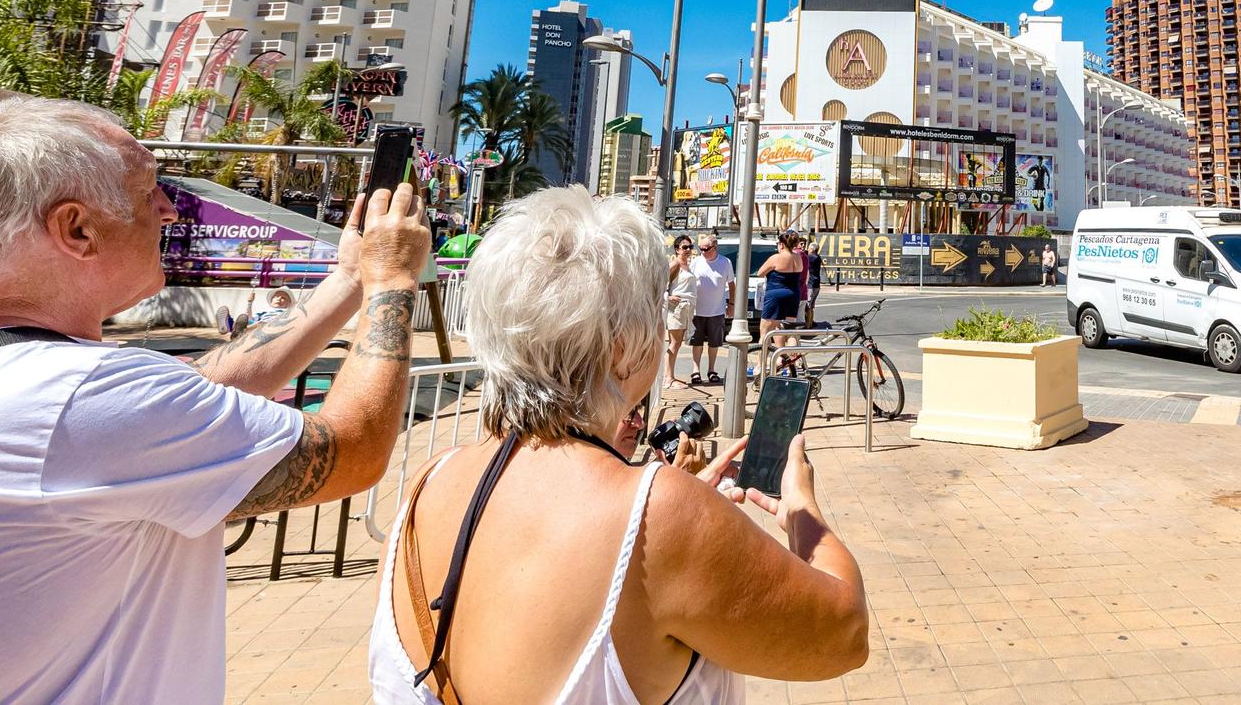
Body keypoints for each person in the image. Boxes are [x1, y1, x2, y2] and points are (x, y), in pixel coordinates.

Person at [0, 95, 430, 704]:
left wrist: (350, 279)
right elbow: (353, 447)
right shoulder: (77, 398)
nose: (168, 209)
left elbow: (197, 395)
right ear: (77, 228)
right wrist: (393, 280)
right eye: (148, 192)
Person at [368, 189, 869, 702]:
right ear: (622, 348)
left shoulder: (428, 482)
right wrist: (803, 512)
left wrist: (678, 507)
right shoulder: (663, 512)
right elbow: (845, 633)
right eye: (655, 310)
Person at [753, 230, 805, 379]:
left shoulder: (776, 257)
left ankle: (760, 364)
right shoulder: (798, 257)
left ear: (781, 244)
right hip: (793, 295)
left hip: (776, 294)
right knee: (789, 330)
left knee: (765, 331)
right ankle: (789, 365)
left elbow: (760, 273)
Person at [687, 232, 735, 386]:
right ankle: (696, 370)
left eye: (706, 249)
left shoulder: (725, 262)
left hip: (717, 310)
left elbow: (732, 284)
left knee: (715, 343)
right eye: (700, 248)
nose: (703, 252)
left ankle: (712, 369)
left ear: (715, 247)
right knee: (697, 342)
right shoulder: (696, 262)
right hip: (697, 309)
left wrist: (731, 304)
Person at [663, 236, 696, 392]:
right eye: (684, 247)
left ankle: (670, 376)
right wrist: (668, 297)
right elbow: (661, 284)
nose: (688, 250)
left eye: (690, 247)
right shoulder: (675, 264)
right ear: (677, 249)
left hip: (685, 309)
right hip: (676, 308)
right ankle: (668, 378)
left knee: (677, 343)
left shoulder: (687, 265)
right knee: (674, 344)